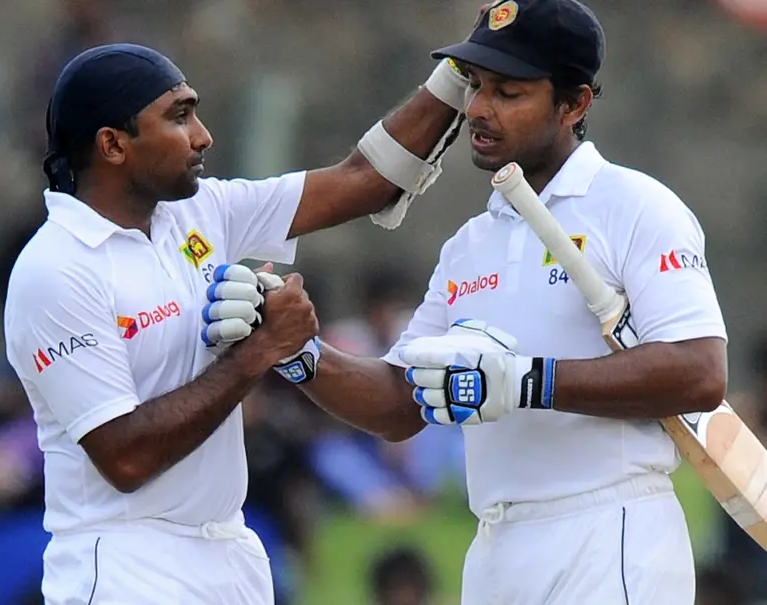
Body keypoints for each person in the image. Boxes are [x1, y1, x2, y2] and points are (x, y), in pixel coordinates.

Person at [209, 1, 728, 603]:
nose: (479, 109)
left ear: (575, 103)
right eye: (477, 87)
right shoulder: (470, 245)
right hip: (496, 545)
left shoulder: (636, 206)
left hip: (607, 531)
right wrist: (295, 351)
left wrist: (527, 382)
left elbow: (699, 372)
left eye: (509, 92)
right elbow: (400, 403)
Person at [3, 35, 469, 605]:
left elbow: (366, 181)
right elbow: (124, 458)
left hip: (228, 551)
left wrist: (463, 69)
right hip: (125, 565)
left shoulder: (197, 211)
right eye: (179, 117)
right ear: (113, 144)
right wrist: (259, 351)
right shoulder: (56, 269)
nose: (203, 136)